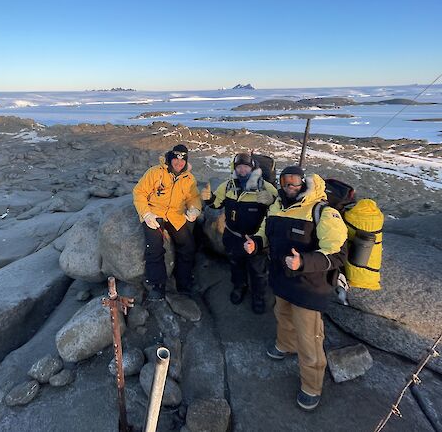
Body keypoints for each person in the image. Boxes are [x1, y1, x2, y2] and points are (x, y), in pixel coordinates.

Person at [244, 166, 347, 410]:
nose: (290, 186)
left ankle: (312, 386)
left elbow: (338, 252)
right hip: (282, 279)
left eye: (295, 182)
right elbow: (265, 233)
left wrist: (304, 262)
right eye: (285, 181)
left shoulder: (322, 211)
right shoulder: (276, 207)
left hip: (308, 287)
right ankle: (285, 345)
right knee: (282, 316)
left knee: (309, 338)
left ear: (304, 183)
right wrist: (256, 244)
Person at [201, 152, 277, 312]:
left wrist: (270, 201)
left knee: (258, 271)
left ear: (252, 168)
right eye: (239, 166)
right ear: (235, 168)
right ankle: (239, 287)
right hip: (233, 236)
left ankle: (258, 297)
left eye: (246, 166)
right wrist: (208, 199)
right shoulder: (228, 186)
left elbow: (276, 210)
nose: (242, 170)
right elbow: (217, 204)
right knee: (236, 265)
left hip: (256, 240)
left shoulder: (265, 187)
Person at [133, 144, 202, 301]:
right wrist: (146, 214)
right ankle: (157, 286)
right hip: (154, 213)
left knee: (188, 246)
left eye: (182, 160)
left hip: (175, 215)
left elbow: (194, 197)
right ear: (170, 158)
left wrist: (194, 209)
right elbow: (139, 192)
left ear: (186, 161)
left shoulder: (189, 178)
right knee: (154, 247)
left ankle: (183, 284)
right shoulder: (155, 172)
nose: (179, 163)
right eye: (176, 159)